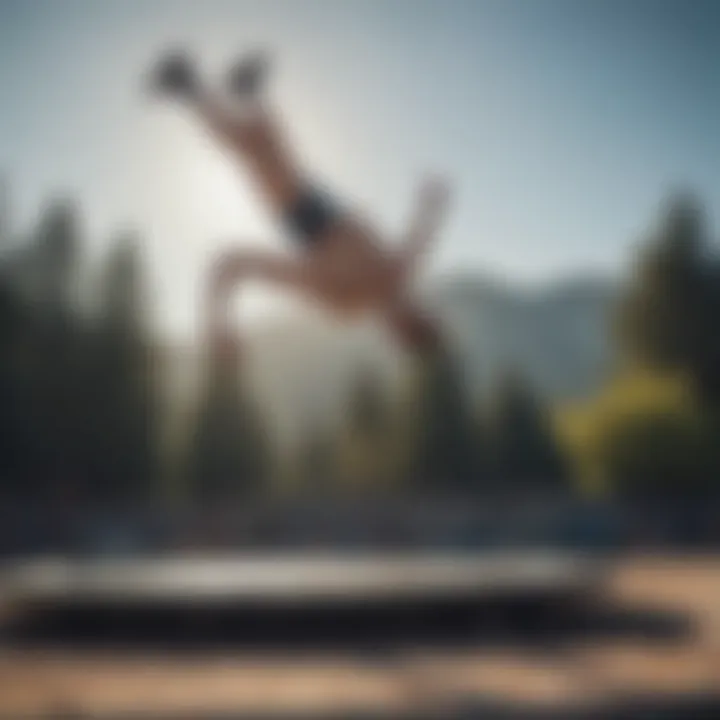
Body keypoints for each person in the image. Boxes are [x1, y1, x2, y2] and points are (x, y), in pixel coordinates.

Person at [148, 49, 449, 356]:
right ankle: (220, 90)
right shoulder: (395, 274)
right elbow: (420, 236)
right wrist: (432, 205)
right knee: (262, 146)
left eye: (406, 321)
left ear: (395, 330)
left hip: (299, 215)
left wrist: (217, 323)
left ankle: (211, 89)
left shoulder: (347, 299)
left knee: (258, 150)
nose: (405, 309)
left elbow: (240, 265)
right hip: (318, 206)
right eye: (416, 313)